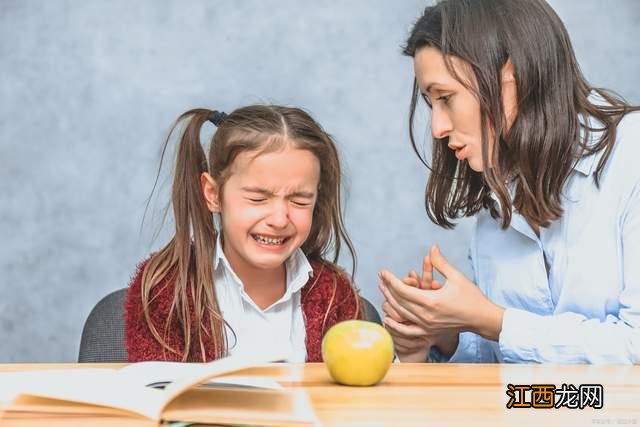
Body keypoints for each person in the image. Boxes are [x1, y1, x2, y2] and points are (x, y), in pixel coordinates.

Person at [379, 0, 640, 364]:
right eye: (430, 103)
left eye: (446, 98)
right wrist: (446, 334)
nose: (437, 128)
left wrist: (493, 321)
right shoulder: (498, 189)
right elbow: (511, 376)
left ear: (510, 78)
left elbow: (634, 347)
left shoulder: (632, 158)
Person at [125, 105, 362, 362]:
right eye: (258, 198)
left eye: (300, 201)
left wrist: (410, 354)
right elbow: (157, 391)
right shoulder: (166, 290)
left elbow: (360, 396)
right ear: (213, 195)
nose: (279, 219)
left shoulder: (334, 295)